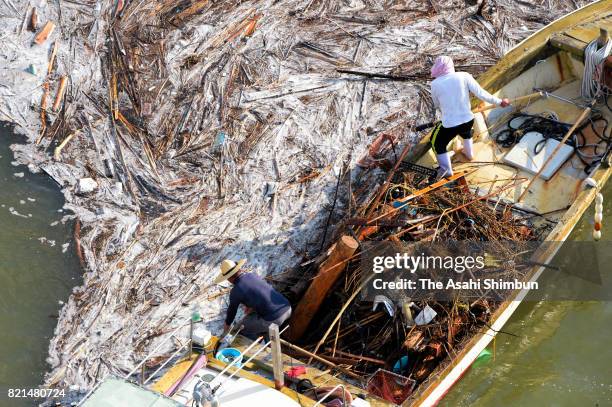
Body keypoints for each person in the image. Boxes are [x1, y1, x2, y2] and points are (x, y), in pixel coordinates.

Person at [429, 56, 510, 178]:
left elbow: (436, 104)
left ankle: (446, 170)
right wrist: (499, 102)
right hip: (468, 120)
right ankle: (469, 153)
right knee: (466, 133)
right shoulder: (464, 76)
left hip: (450, 125)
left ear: (438, 68)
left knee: (437, 142)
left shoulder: (434, 84)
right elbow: (481, 93)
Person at [215, 258, 292, 340]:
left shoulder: (235, 291)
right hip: (287, 308)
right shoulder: (251, 275)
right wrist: (250, 306)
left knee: (240, 329)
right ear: (239, 269)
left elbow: (231, 312)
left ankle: (255, 345)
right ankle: (265, 335)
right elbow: (260, 292)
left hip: (275, 318)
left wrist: (226, 327)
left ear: (228, 278)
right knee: (254, 319)